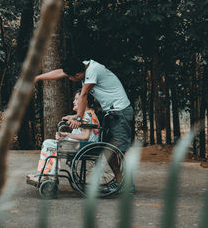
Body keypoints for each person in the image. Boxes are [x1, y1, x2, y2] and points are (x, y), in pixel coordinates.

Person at [34, 59, 134, 191]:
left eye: (70, 77)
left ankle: (128, 184)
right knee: (108, 150)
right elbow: (60, 72)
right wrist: (37, 78)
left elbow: (84, 94)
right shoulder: (82, 66)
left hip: (120, 111)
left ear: (78, 75)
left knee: (121, 150)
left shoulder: (93, 71)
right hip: (110, 112)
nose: (69, 79)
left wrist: (79, 118)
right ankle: (120, 181)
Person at [27, 90, 100, 184]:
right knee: (52, 145)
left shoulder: (86, 114)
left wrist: (67, 135)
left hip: (85, 146)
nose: (74, 102)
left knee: (48, 144)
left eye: (77, 99)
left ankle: (47, 176)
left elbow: (85, 136)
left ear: (84, 101)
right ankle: (47, 175)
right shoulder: (88, 113)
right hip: (84, 145)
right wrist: (64, 137)